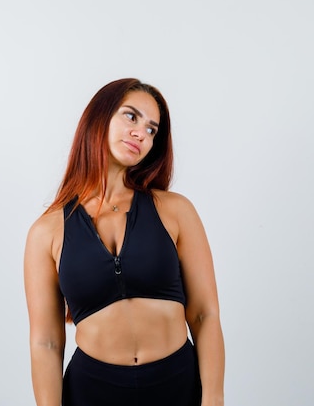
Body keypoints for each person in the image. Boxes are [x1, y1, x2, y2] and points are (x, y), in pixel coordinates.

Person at [23, 78, 225, 406]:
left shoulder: (174, 210)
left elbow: (205, 315)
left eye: (151, 130)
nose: (141, 133)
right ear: (99, 116)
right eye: (131, 116)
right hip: (92, 391)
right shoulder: (46, 232)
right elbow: (45, 343)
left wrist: (213, 399)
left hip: (177, 384)